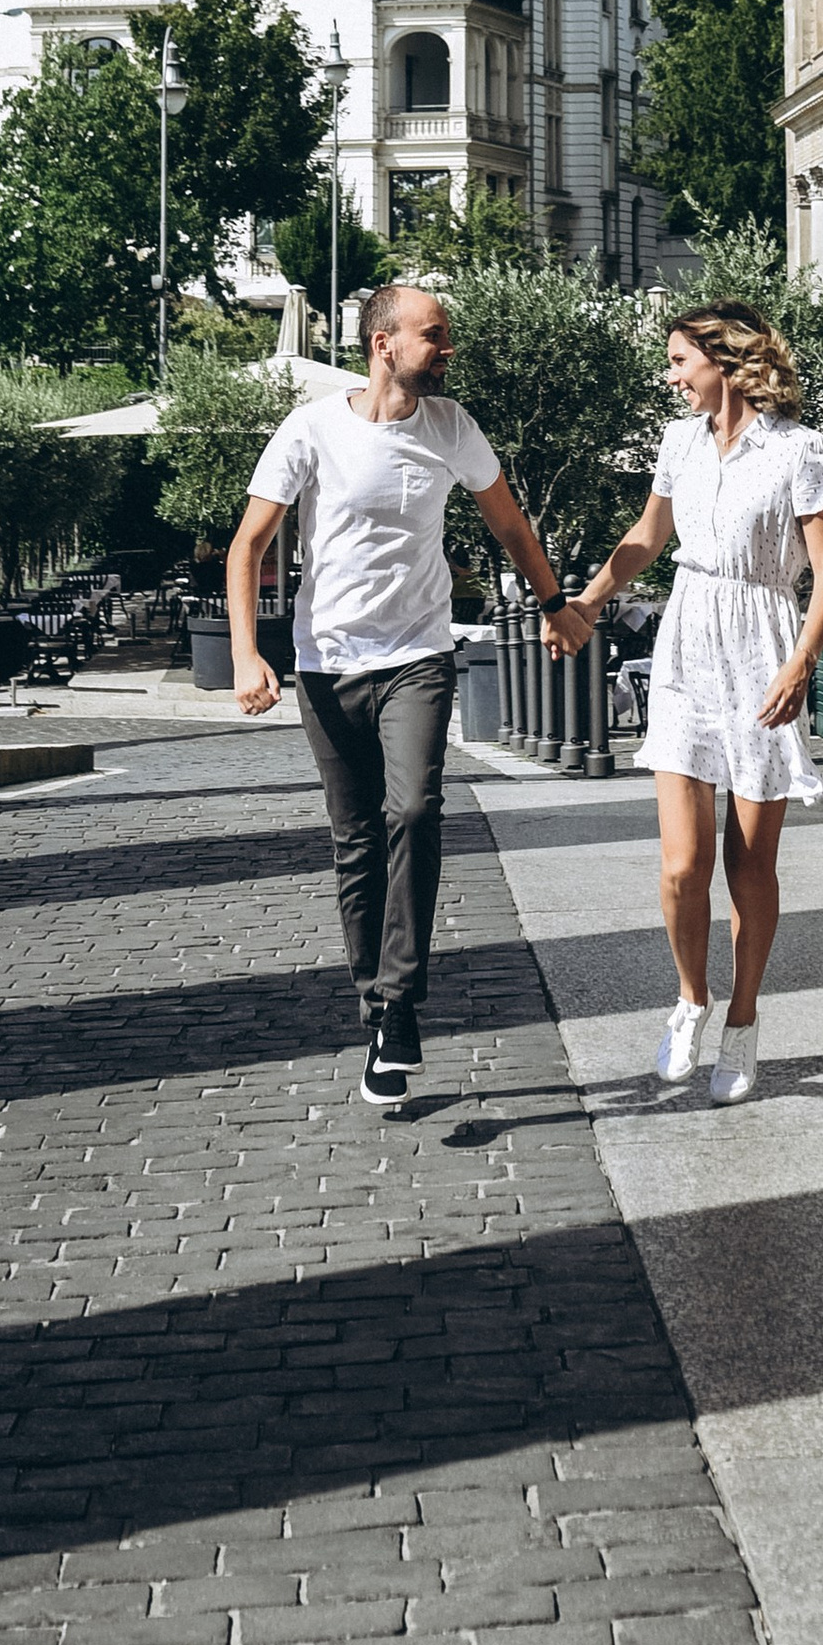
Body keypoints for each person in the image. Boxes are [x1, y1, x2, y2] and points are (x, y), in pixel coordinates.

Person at [225, 279, 586, 1107]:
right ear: (384, 343)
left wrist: (555, 602)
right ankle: (376, 1008)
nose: (447, 347)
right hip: (327, 665)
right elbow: (248, 546)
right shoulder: (311, 428)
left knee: (416, 811)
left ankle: (398, 1004)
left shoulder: (451, 426)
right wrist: (249, 654)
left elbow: (510, 524)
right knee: (355, 842)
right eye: (435, 334)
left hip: (418, 655)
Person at [564, 302, 823, 1106]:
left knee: (749, 864)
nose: (671, 374)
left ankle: (745, 1021)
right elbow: (648, 539)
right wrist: (584, 605)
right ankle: (692, 998)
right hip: (689, 643)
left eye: (680, 359)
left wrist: (801, 664)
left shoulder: (800, 449)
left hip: (762, 648)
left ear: (725, 360)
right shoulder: (679, 442)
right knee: (683, 864)